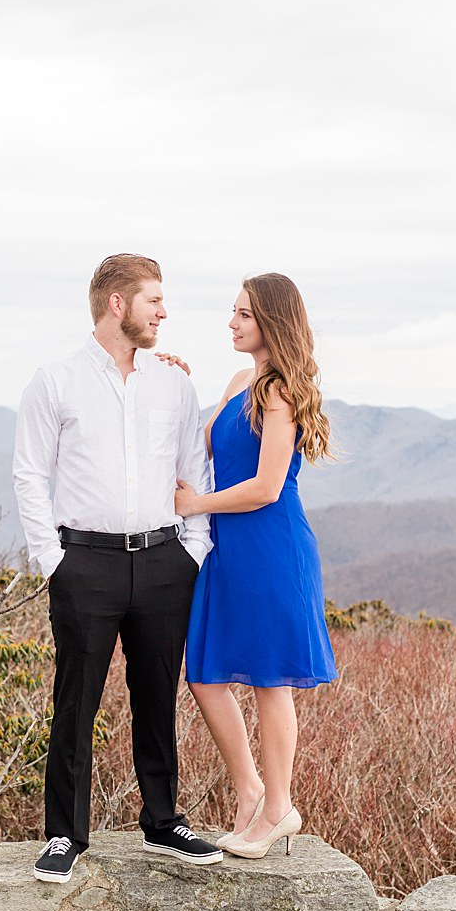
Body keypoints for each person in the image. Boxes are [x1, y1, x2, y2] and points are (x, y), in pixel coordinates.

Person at [13, 254, 222, 884]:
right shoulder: (55, 382)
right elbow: (29, 473)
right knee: (76, 700)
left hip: (165, 561)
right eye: (154, 300)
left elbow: (195, 467)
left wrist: (194, 548)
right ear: (116, 304)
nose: (164, 312)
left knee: (157, 695)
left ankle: (162, 822)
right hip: (86, 565)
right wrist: (53, 562)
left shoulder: (174, 383)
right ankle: (63, 835)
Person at [174, 273, 337, 859]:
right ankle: (250, 790)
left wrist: (196, 504)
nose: (232, 322)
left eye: (243, 314)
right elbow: (201, 441)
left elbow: (267, 486)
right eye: (233, 311)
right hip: (229, 552)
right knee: (205, 671)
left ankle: (277, 808)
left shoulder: (278, 390)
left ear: (271, 321)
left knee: (272, 681)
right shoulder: (242, 380)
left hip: (270, 548)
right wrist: (166, 375)